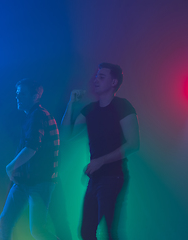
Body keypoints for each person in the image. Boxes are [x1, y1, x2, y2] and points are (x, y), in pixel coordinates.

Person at [61, 63, 140, 240]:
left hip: (113, 176)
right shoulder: (90, 110)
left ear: (113, 82)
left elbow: (134, 144)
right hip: (95, 178)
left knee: (109, 231)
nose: (95, 79)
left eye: (101, 77)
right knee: (86, 232)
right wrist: (71, 104)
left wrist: (101, 161)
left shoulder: (122, 106)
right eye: (96, 76)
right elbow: (66, 135)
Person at [0, 78, 59, 240]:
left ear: (36, 96)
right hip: (25, 181)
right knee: (5, 222)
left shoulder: (38, 115)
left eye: (22, 94)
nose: (17, 97)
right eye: (17, 94)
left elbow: (32, 147)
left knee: (37, 230)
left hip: (39, 182)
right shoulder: (34, 115)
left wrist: (10, 167)